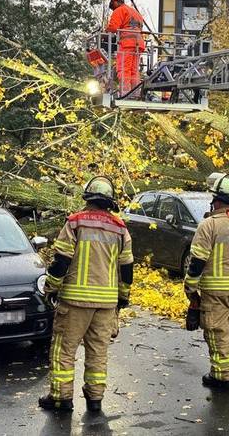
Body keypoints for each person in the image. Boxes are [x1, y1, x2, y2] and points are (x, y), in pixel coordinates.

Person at [39, 176, 133, 413]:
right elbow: (127, 268)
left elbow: (61, 261)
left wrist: (51, 287)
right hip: (106, 303)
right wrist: (122, 298)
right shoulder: (120, 228)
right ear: (110, 202)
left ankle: (61, 398)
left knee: (64, 349)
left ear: (88, 198)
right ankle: (95, 399)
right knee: (98, 350)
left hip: (75, 301)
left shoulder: (75, 223)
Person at [184, 173, 229, 389]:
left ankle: (221, 376)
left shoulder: (209, 225)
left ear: (215, 199)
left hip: (215, 291)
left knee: (217, 332)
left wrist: (190, 287)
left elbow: (197, 261)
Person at [104, 0, 147, 97]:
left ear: (116, 2)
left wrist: (106, 31)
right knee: (134, 70)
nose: (113, 10)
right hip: (139, 43)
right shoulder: (135, 12)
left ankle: (125, 93)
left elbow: (113, 27)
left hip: (127, 43)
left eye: (113, 7)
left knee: (123, 69)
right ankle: (135, 93)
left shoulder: (120, 10)